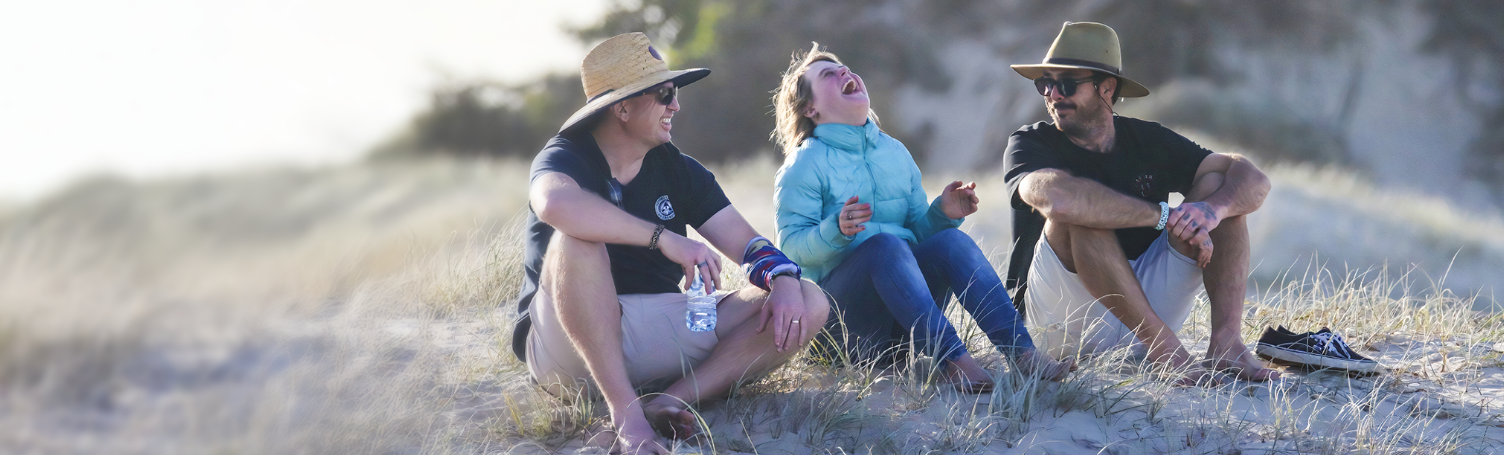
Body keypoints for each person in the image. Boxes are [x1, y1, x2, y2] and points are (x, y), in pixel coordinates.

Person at [511, 32, 830, 455]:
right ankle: (628, 416)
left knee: (810, 299)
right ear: (622, 108)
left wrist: (784, 279)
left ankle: (669, 400)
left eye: (675, 92)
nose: (675, 105)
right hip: (565, 346)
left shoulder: (677, 168)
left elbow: (747, 243)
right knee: (576, 241)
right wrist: (663, 239)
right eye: (664, 94)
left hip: (655, 330)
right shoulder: (565, 156)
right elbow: (555, 204)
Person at [771, 44, 1072, 393]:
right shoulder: (803, 165)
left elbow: (914, 236)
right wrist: (834, 231)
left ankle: (1022, 354)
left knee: (951, 242)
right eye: (828, 74)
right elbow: (789, 251)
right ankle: (954, 360)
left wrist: (942, 214)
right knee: (883, 246)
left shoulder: (894, 153)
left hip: (903, 331)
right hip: (841, 334)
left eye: (845, 68)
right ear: (811, 108)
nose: (844, 72)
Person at [1001, 22, 1281, 384]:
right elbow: (1059, 201)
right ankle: (1167, 350)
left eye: (1066, 84)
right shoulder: (1029, 143)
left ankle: (1226, 344)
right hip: (1060, 322)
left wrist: (1211, 212)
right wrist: (1162, 216)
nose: (1053, 94)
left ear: (1106, 87)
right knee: (1080, 216)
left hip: (1144, 310)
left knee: (1217, 188)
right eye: (1045, 83)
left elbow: (1254, 180)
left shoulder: (1148, 140)